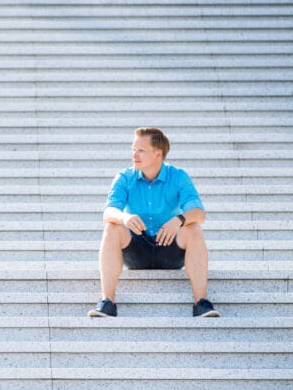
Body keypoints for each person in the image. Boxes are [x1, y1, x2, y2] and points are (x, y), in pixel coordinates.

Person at [89, 127, 219, 318]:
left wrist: (179, 220)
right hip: (137, 251)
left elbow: (199, 213)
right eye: (133, 149)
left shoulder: (178, 176)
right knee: (112, 227)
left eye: (141, 150)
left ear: (158, 154)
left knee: (193, 228)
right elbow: (108, 212)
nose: (134, 155)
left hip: (169, 249)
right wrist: (125, 217)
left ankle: (201, 303)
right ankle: (107, 302)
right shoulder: (124, 177)